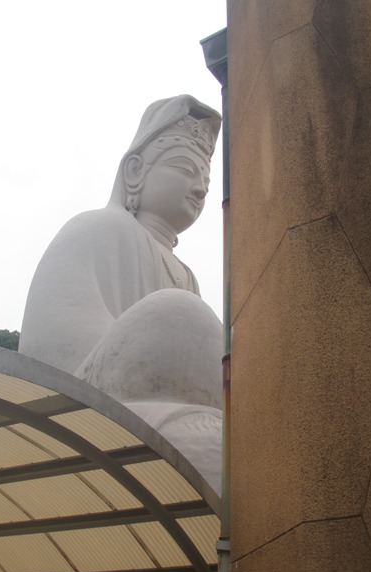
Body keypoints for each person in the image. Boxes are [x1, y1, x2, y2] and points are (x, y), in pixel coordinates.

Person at [19, 94, 222, 412]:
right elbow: (52, 345)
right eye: (185, 169)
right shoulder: (99, 227)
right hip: (93, 390)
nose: (200, 189)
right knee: (182, 313)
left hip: (172, 403)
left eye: (206, 182)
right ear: (135, 171)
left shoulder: (187, 275)